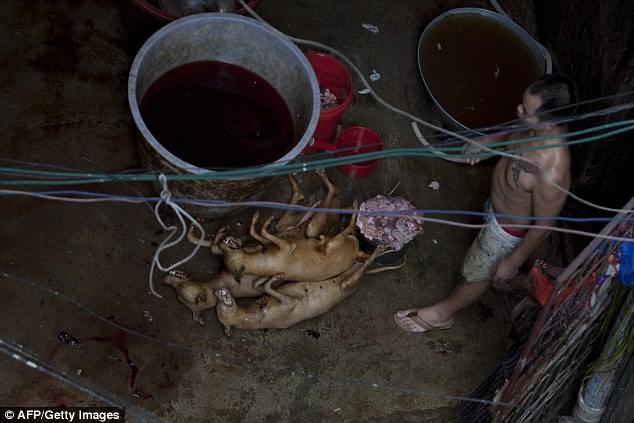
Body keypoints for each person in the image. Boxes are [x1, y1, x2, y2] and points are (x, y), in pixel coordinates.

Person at [394, 73, 579, 333]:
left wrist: (512, 260)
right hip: (497, 206)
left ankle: (442, 314)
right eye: (523, 103)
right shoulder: (534, 124)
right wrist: (487, 141)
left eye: (527, 110)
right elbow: (514, 131)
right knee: (496, 269)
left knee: (476, 272)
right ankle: (520, 281)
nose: (519, 110)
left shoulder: (553, 170)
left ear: (550, 124)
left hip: (505, 231)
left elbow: (543, 227)